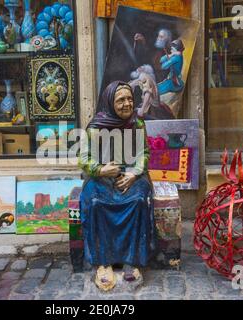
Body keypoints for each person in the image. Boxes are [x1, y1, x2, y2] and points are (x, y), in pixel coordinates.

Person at [78, 81, 156, 292]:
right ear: (110, 102)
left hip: (132, 176)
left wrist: (133, 174)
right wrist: (101, 170)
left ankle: (132, 260)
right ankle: (102, 262)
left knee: (138, 201)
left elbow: (144, 154)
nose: (127, 104)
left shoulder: (137, 124)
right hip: (102, 177)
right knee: (95, 203)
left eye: (130, 99)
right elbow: (84, 159)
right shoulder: (95, 127)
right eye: (120, 100)